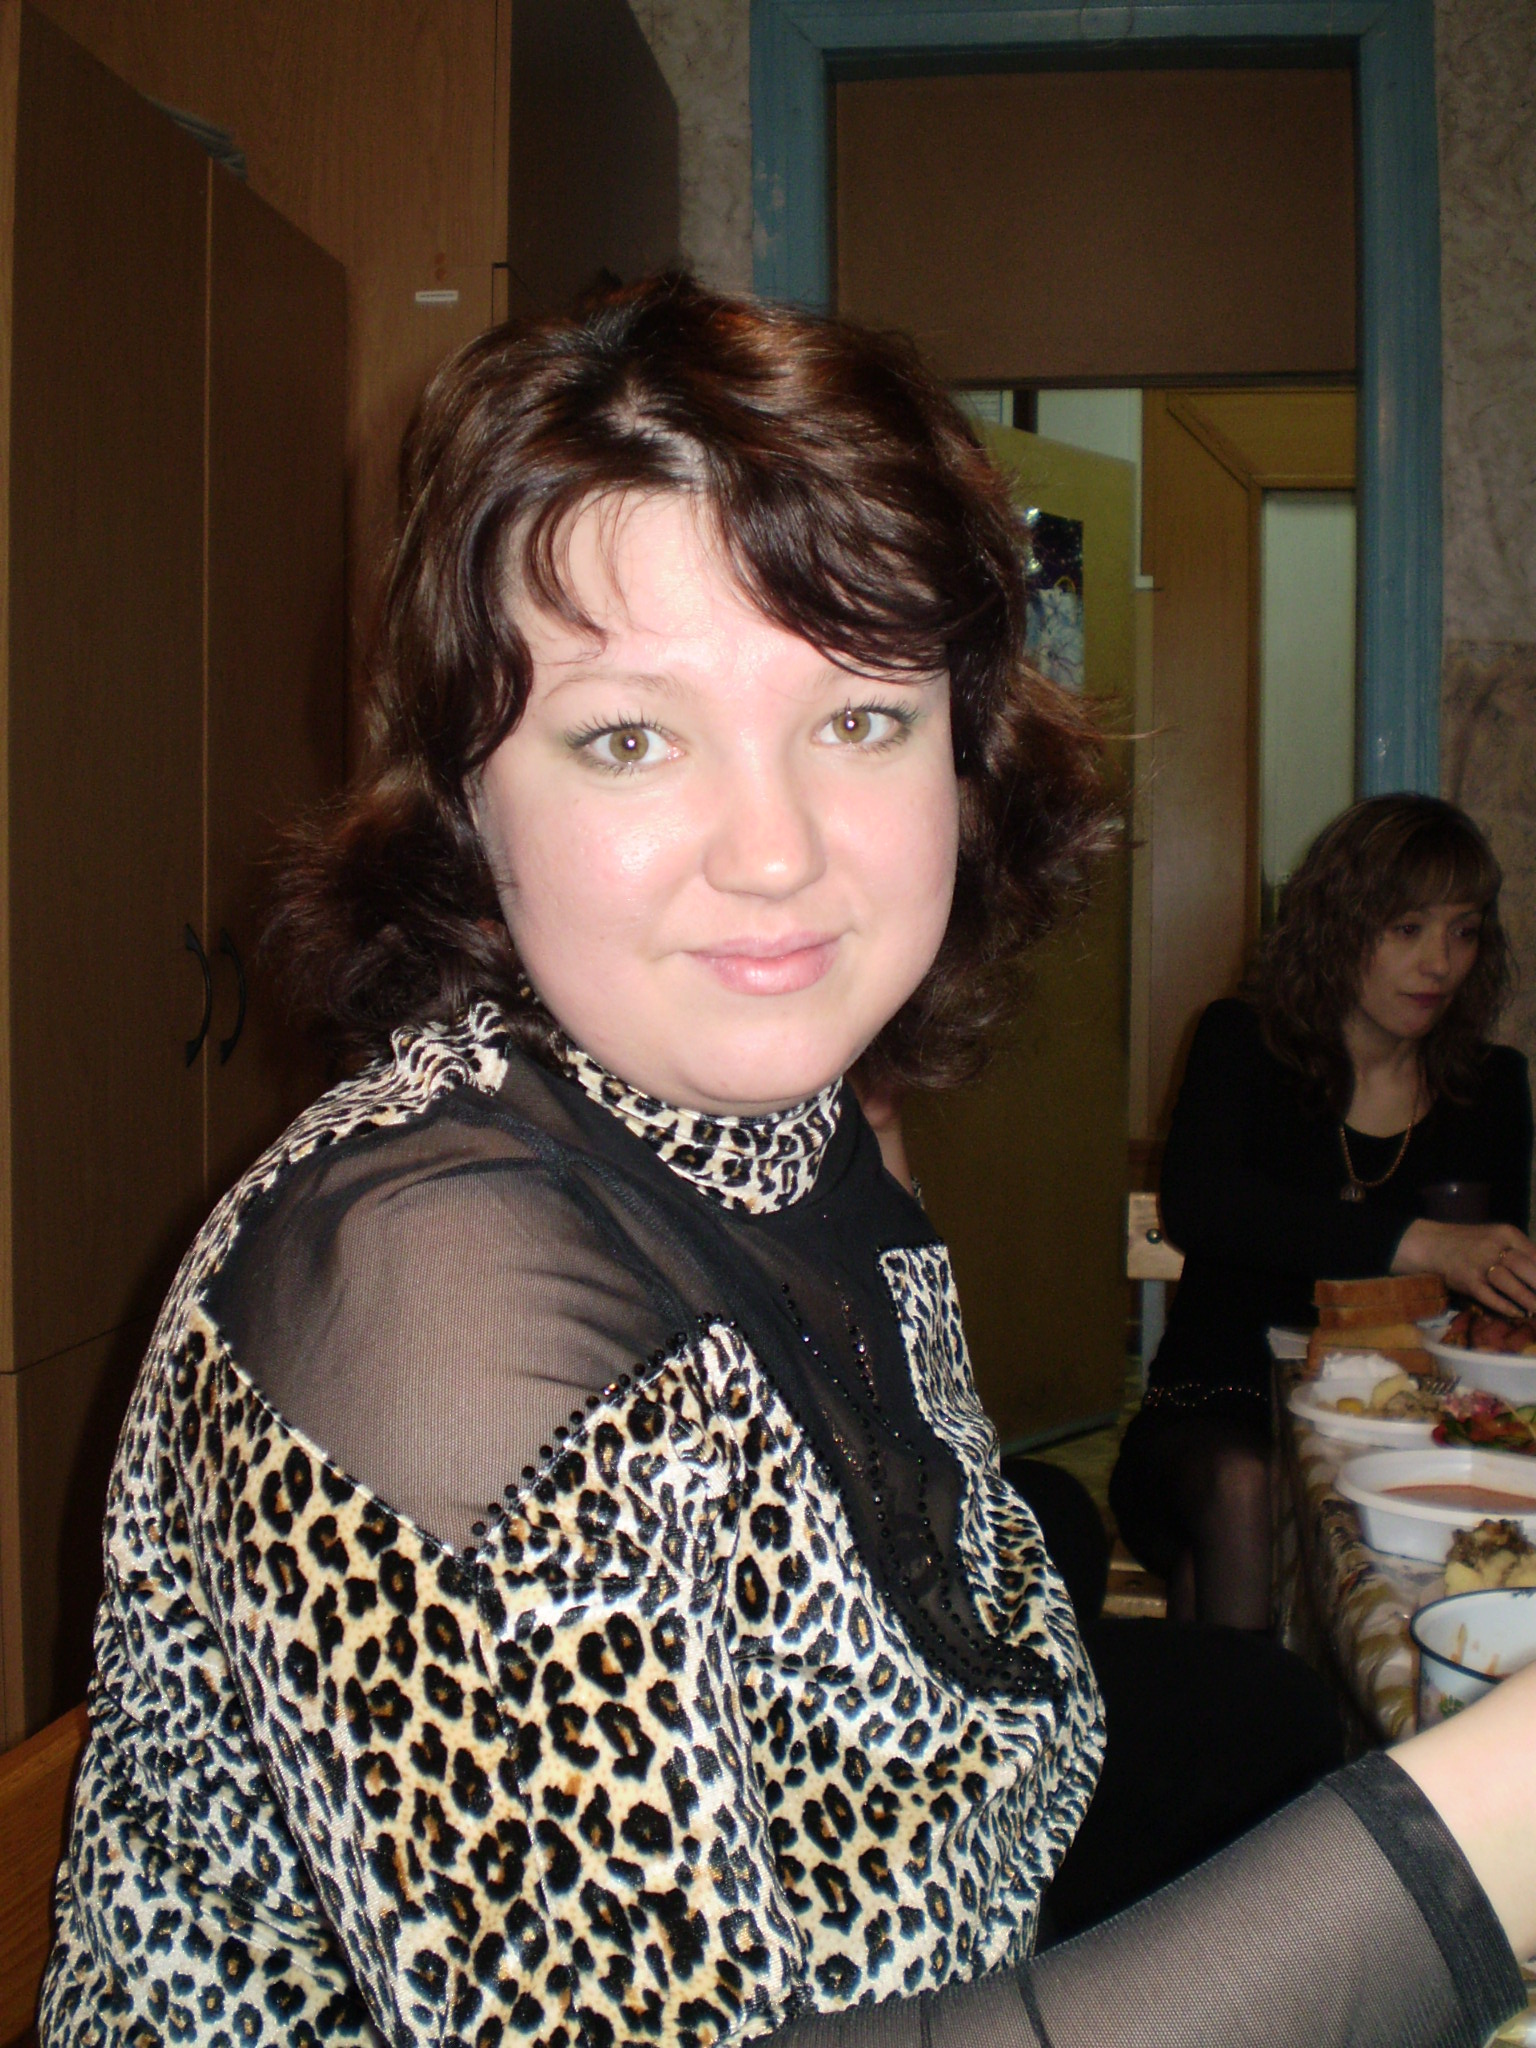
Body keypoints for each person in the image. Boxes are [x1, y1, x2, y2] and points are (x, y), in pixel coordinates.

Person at [40, 278, 1535, 2048]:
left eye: (858, 717)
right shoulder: (428, 1301)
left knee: (1270, 1722)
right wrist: (1486, 1830)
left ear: (965, 750)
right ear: (464, 797)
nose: (775, 852)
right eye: (629, 735)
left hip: (940, 1911)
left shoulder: (795, 1120)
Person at [1111, 796, 1536, 1629]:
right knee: (1246, 1492)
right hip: (1215, 1413)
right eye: (1407, 928)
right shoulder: (1242, 1042)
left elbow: (1495, 1300)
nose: (1439, 963)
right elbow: (1203, 1207)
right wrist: (1423, 1244)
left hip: (1408, 1431)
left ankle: (1230, 1701)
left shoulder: (1490, 1086)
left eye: (1463, 931)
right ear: (1337, 926)